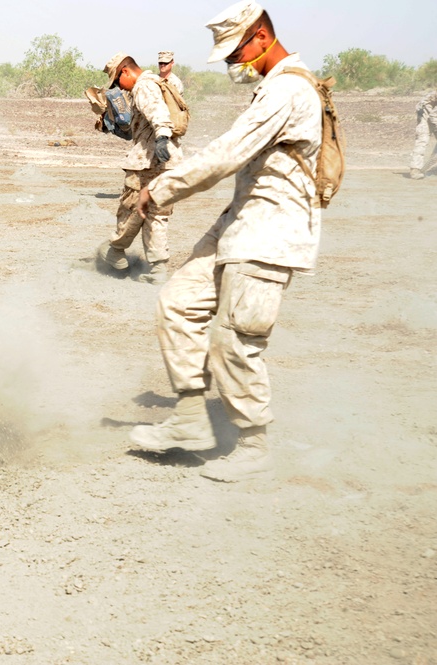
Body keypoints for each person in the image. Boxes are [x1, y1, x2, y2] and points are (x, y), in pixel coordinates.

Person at [128, 0, 323, 482]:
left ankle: (254, 446)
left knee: (235, 339)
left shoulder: (289, 90)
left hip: (272, 230)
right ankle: (192, 419)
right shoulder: (273, 87)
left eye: (236, 53)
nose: (233, 63)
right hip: (241, 221)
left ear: (261, 36)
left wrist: (164, 186)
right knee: (178, 302)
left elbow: (228, 152)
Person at [97, 51, 183, 284]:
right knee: (157, 214)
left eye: (117, 81)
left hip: (147, 162)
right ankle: (158, 269)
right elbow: (138, 128)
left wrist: (162, 136)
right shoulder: (160, 83)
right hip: (169, 163)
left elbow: (158, 113)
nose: (119, 87)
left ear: (125, 71)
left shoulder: (144, 86)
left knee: (132, 209)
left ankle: (115, 249)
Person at [409, 89, 437, 180]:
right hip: (425, 112)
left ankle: (425, 168)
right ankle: (415, 169)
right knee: (422, 139)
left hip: (432, 111)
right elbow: (433, 116)